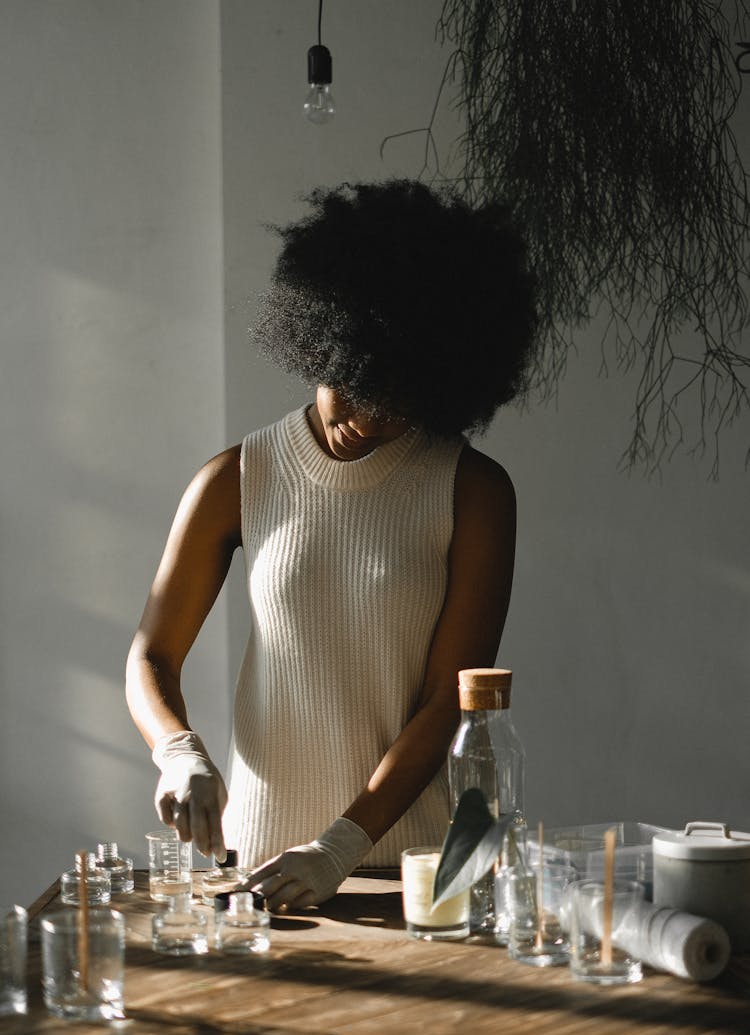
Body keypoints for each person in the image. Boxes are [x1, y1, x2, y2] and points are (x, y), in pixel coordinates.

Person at [126, 179, 537, 913]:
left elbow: (451, 699)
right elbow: (151, 656)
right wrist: (177, 752)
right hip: (260, 871)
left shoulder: (473, 491)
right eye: (350, 381)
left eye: (397, 395)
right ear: (316, 336)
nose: (367, 415)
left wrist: (339, 847)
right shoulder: (236, 478)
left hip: (417, 877)